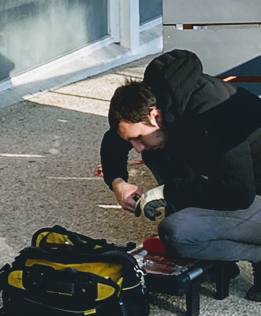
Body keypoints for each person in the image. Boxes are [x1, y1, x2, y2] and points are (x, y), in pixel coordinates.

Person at [101, 48, 261, 300]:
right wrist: (118, 182)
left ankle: (256, 254)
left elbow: (240, 193)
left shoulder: (214, 110)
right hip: (237, 185)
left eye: (138, 138)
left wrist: (167, 191)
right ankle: (214, 244)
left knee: (178, 233)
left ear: (155, 116)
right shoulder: (155, 100)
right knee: (155, 149)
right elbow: (113, 140)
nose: (137, 148)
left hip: (249, 189)